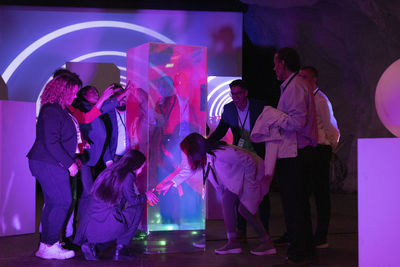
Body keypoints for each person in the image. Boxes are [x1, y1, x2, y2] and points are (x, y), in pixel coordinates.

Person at [156, 133, 276, 256]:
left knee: (245, 210)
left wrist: (251, 184)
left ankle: (267, 243)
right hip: (241, 178)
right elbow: (189, 170)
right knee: (227, 201)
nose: (186, 156)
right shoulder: (208, 156)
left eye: (187, 152)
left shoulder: (222, 153)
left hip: (255, 175)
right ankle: (233, 242)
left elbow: (249, 161)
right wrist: (171, 183)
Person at [27, 72, 83, 260]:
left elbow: (60, 140)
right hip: (47, 163)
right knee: (62, 201)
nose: (75, 96)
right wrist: (69, 164)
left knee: (54, 203)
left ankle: (46, 246)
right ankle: (49, 245)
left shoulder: (57, 109)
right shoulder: (52, 110)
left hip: (48, 162)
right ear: (62, 91)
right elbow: (51, 142)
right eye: (73, 92)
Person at [271, 47, 318, 266]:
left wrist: (275, 119)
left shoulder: (295, 86)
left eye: (275, 63)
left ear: (283, 63)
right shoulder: (296, 85)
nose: (274, 68)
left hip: (296, 153)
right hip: (297, 152)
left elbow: (298, 122)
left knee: (294, 204)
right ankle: (304, 248)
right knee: (298, 204)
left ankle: (299, 250)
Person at [209, 79, 269, 241]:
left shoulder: (260, 106)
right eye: (232, 94)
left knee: (262, 195)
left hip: (260, 154)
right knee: (238, 194)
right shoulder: (228, 108)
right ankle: (241, 231)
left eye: (238, 93)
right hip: (241, 157)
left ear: (245, 92)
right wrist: (208, 142)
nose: (235, 97)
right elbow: (221, 130)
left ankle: (265, 232)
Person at [74, 150, 158, 261]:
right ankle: (121, 249)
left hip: (89, 224)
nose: (142, 170)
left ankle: (94, 247)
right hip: (103, 222)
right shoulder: (128, 176)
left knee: (120, 220)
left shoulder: (110, 170)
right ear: (135, 165)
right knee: (138, 209)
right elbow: (133, 201)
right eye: (142, 167)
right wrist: (146, 195)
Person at [299, 66, 340, 249]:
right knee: (305, 192)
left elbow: (331, 128)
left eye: (305, 77)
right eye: (300, 77)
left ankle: (321, 236)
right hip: (309, 150)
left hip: (320, 149)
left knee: (321, 194)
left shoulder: (321, 100)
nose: (302, 80)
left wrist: (330, 148)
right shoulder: (305, 98)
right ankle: (305, 233)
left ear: (314, 79)